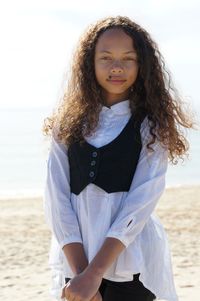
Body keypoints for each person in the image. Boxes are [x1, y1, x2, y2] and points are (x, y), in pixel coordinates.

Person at [43, 16, 195, 301]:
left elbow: (139, 204)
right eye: (106, 57)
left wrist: (94, 272)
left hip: (131, 262)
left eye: (128, 58)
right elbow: (57, 200)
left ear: (142, 65)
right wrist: (82, 274)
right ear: (90, 63)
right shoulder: (66, 124)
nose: (117, 67)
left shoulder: (151, 125)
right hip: (75, 259)